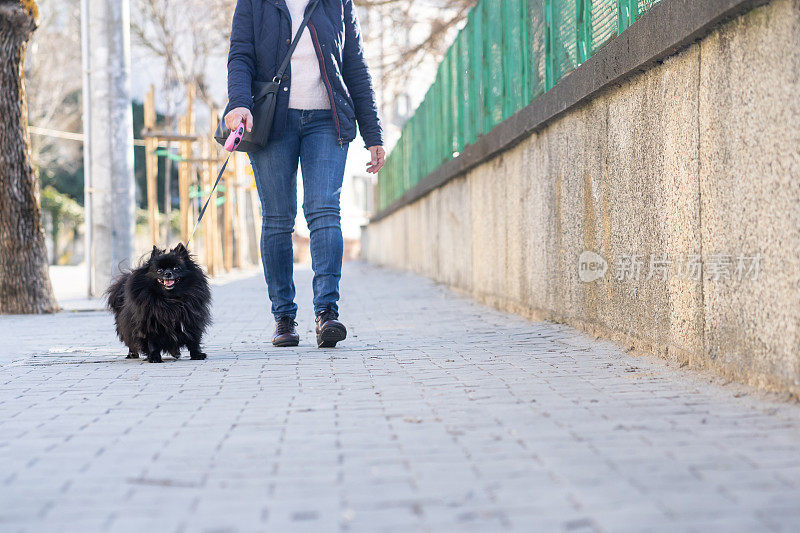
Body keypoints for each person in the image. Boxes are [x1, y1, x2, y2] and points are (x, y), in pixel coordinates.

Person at [224, 0, 385, 348]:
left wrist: (373, 134)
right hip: (273, 120)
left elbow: (355, 64)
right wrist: (238, 102)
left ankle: (327, 312)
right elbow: (240, 55)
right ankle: (283, 317)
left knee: (324, 209)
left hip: (328, 120)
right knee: (279, 218)